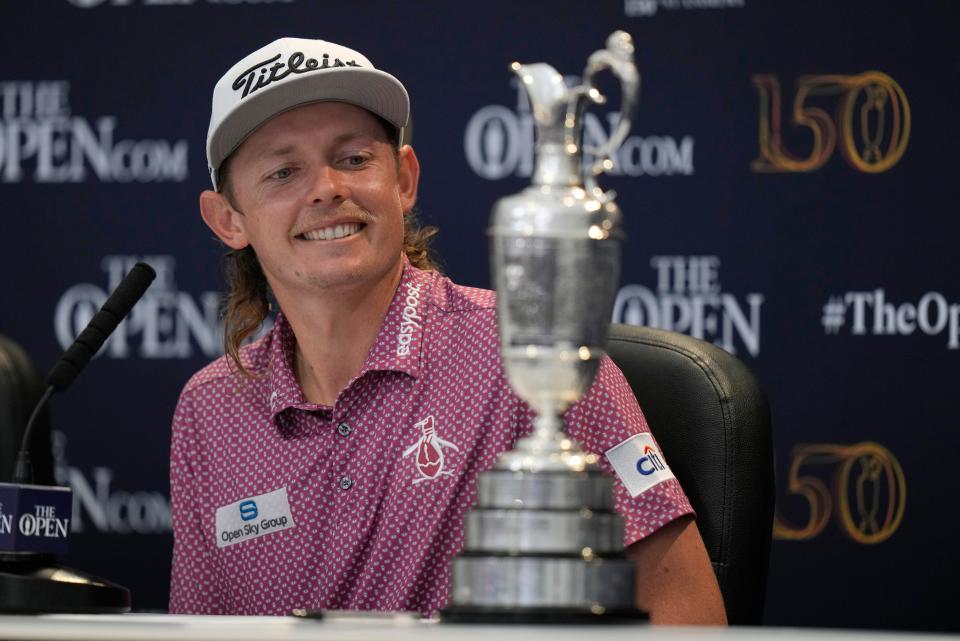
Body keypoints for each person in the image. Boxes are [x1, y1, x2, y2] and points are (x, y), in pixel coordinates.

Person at [169, 36, 726, 624]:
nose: (328, 188)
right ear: (228, 219)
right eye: (284, 171)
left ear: (403, 180)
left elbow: (686, 620)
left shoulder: (527, 356)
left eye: (355, 159)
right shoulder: (209, 410)